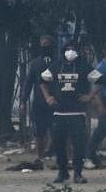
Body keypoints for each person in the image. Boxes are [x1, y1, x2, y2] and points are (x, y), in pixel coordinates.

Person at [40, 42, 97, 183]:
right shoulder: (56, 66)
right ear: (63, 51)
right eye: (67, 49)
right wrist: (48, 97)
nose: (70, 52)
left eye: (73, 49)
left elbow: (100, 79)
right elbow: (42, 80)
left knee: (79, 145)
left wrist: (90, 96)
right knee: (59, 145)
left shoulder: (84, 66)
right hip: (59, 113)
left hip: (77, 113)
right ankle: (62, 172)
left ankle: (78, 173)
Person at [20, 35, 56, 164]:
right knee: (40, 131)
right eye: (43, 44)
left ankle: (58, 154)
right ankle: (40, 156)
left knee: (57, 130)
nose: (46, 47)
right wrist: (23, 101)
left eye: (48, 44)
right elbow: (28, 83)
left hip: (56, 102)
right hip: (40, 102)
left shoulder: (58, 62)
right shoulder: (35, 64)